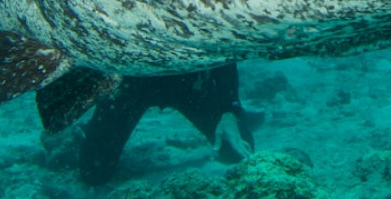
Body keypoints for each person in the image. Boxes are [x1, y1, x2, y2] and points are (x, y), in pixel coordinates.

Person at [78, 63, 259, 185]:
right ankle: (90, 132)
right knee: (93, 173)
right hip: (129, 87)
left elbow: (223, 49)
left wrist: (229, 110)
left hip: (188, 86)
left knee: (237, 150)